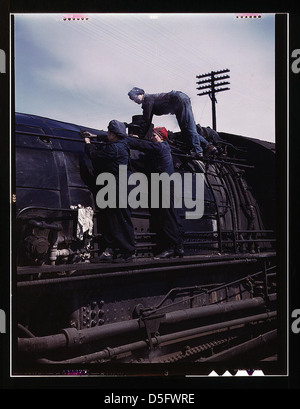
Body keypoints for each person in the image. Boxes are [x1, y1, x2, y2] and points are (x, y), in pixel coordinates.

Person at [82, 120, 136, 263]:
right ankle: (112, 250)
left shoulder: (114, 149)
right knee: (115, 218)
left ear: (113, 134)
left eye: (108, 132)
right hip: (120, 184)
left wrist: (88, 143)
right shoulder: (123, 142)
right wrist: (95, 136)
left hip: (118, 186)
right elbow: (107, 138)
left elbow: (95, 155)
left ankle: (128, 251)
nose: (107, 134)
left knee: (119, 219)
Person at [127, 126, 184, 259]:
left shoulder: (160, 147)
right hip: (168, 185)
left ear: (161, 137)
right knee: (173, 217)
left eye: (154, 135)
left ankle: (170, 248)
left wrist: (127, 139)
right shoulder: (163, 148)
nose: (152, 137)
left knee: (167, 217)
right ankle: (179, 247)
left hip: (164, 185)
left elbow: (142, 145)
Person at [128, 87, 217, 158]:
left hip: (178, 100)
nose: (134, 100)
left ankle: (197, 151)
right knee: (187, 129)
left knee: (188, 128)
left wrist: (139, 136)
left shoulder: (147, 100)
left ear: (140, 93)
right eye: (132, 99)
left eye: (134, 97)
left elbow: (146, 121)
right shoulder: (149, 100)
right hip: (179, 101)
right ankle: (208, 146)